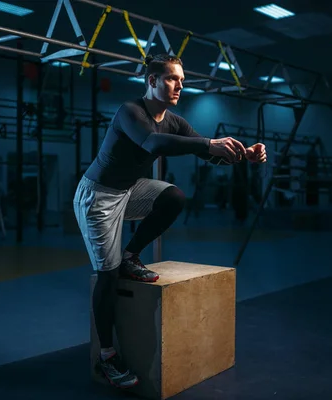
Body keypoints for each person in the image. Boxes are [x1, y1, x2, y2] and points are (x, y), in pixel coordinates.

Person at [73, 53, 267, 389]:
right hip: (99, 196)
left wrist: (242, 155)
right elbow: (153, 142)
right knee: (107, 274)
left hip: (129, 191)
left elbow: (207, 152)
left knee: (173, 196)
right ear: (152, 81)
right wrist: (208, 143)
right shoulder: (130, 111)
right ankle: (106, 357)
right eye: (172, 79)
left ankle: (131, 256)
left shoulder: (173, 120)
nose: (179, 86)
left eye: (181, 80)